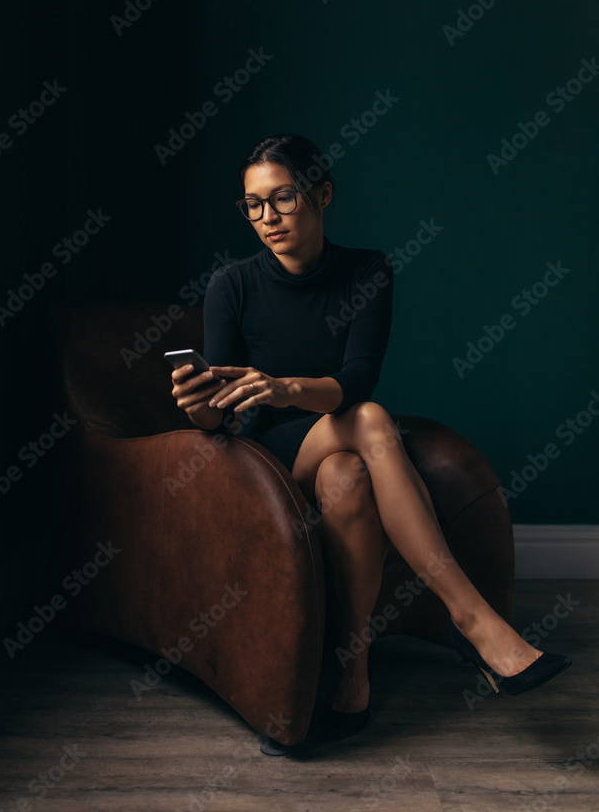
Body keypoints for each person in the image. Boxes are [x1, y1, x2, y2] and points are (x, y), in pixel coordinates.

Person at [170, 133, 571, 744]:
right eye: (253, 205)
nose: (268, 217)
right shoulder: (233, 284)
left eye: (283, 198)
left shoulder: (368, 270)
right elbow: (222, 420)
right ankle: (474, 621)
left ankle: (352, 666)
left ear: (322, 194)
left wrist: (285, 387)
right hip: (266, 458)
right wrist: (198, 408)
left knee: (348, 477)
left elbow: (357, 378)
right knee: (375, 419)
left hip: (334, 435)